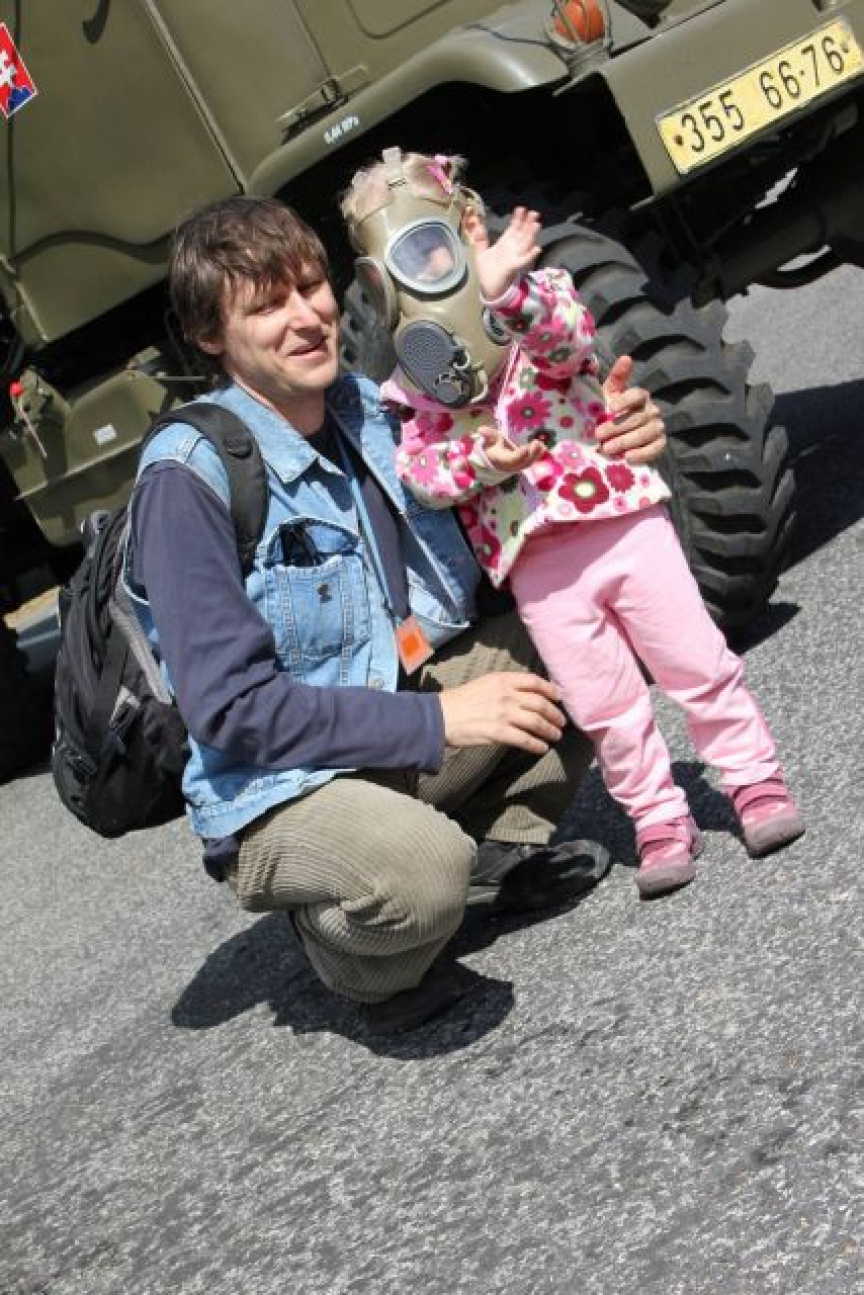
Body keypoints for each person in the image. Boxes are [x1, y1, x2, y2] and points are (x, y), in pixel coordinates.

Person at [124, 194, 668, 1035]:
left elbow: (513, 501)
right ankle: (351, 950)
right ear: (208, 335)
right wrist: (440, 720)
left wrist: (610, 439)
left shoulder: (369, 409)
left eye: (311, 287)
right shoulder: (186, 478)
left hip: (386, 708)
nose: (307, 317)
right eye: (267, 305)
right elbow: (231, 710)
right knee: (422, 876)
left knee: (581, 621)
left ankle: (492, 851)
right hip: (276, 787)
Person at [340, 149, 804, 900]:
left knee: (695, 661)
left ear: (467, 226)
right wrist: (482, 458)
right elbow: (422, 473)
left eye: (428, 248)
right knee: (604, 704)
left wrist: (502, 293)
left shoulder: (536, 297)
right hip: (540, 566)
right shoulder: (412, 382)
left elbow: (571, 343)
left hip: (622, 520)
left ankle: (754, 780)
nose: (419, 273)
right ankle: (658, 817)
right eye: (394, 266)